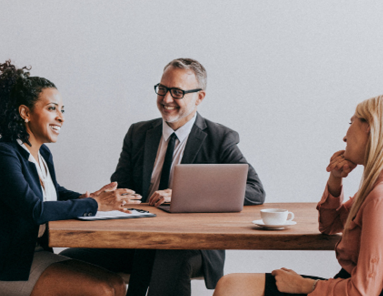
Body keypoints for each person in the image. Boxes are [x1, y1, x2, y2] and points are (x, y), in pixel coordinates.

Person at [59, 58, 267, 295]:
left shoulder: (220, 138)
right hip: (138, 237)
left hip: (193, 243)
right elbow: (122, 186)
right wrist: (110, 197)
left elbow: (255, 191)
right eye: (162, 89)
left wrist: (183, 195)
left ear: (199, 97)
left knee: (169, 255)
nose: (166, 99)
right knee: (68, 261)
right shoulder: (137, 133)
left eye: (177, 92)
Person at [212, 94, 383, 296]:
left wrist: (304, 285)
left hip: (349, 290)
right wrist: (336, 179)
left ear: (370, 128)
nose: (345, 136)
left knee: (231, 288)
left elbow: (362, 292)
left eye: (351, 122)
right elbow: (329, 225)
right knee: (230, 285)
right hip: (347, 286)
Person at [0, 61, 141, 296]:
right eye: (52, 108)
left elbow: (53, 191)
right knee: (102, 290)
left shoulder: (42, 153)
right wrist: (95, 204)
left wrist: (88, 197)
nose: (61, 117)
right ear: (25, 112)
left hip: (29, 255)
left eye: (62, 110)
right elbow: (35, 209)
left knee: (116, 284)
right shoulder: (3, 154)